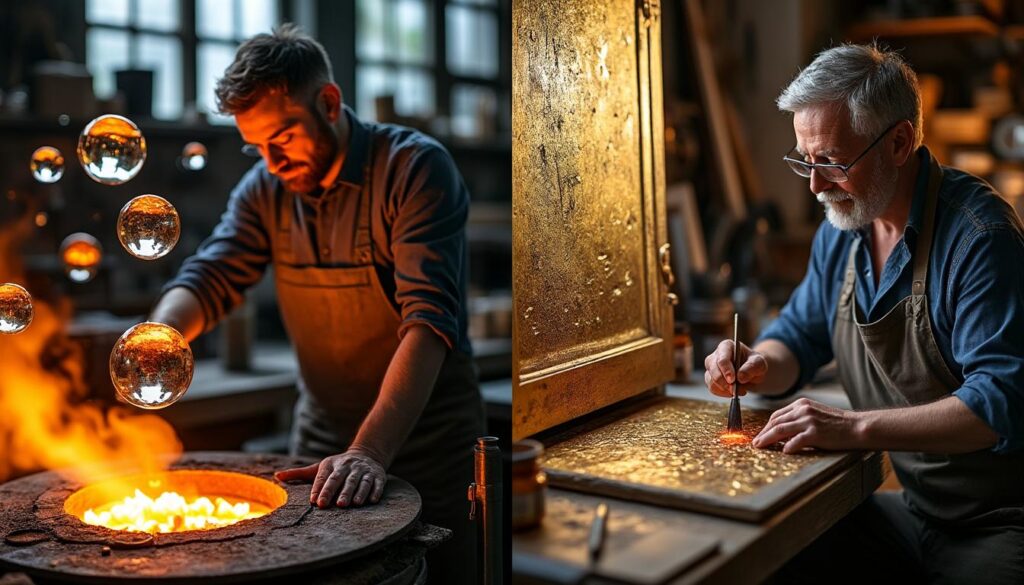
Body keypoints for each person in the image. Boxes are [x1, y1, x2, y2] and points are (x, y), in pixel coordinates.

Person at [150, 24, 484, 584]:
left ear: (328, 103)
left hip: (428, 444)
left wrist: (370, 451)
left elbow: (427, 323)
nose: (271, 163)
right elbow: (212, 276)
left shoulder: (415, 169)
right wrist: (160, 335)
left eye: (282, 138)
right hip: (321, 445)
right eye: (256, 147)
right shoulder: (265, 189)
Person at [703, 44, 1024, 584]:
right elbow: (798, 336)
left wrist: (854, 428)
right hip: (917, 511)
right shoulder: (844, 228)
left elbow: (999, 404)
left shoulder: (979, 237)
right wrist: (755, 363)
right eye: (805, 160)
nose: (815, 185)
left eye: (832, 161)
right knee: (776, 552)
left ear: (899, 142)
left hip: (998, 521)